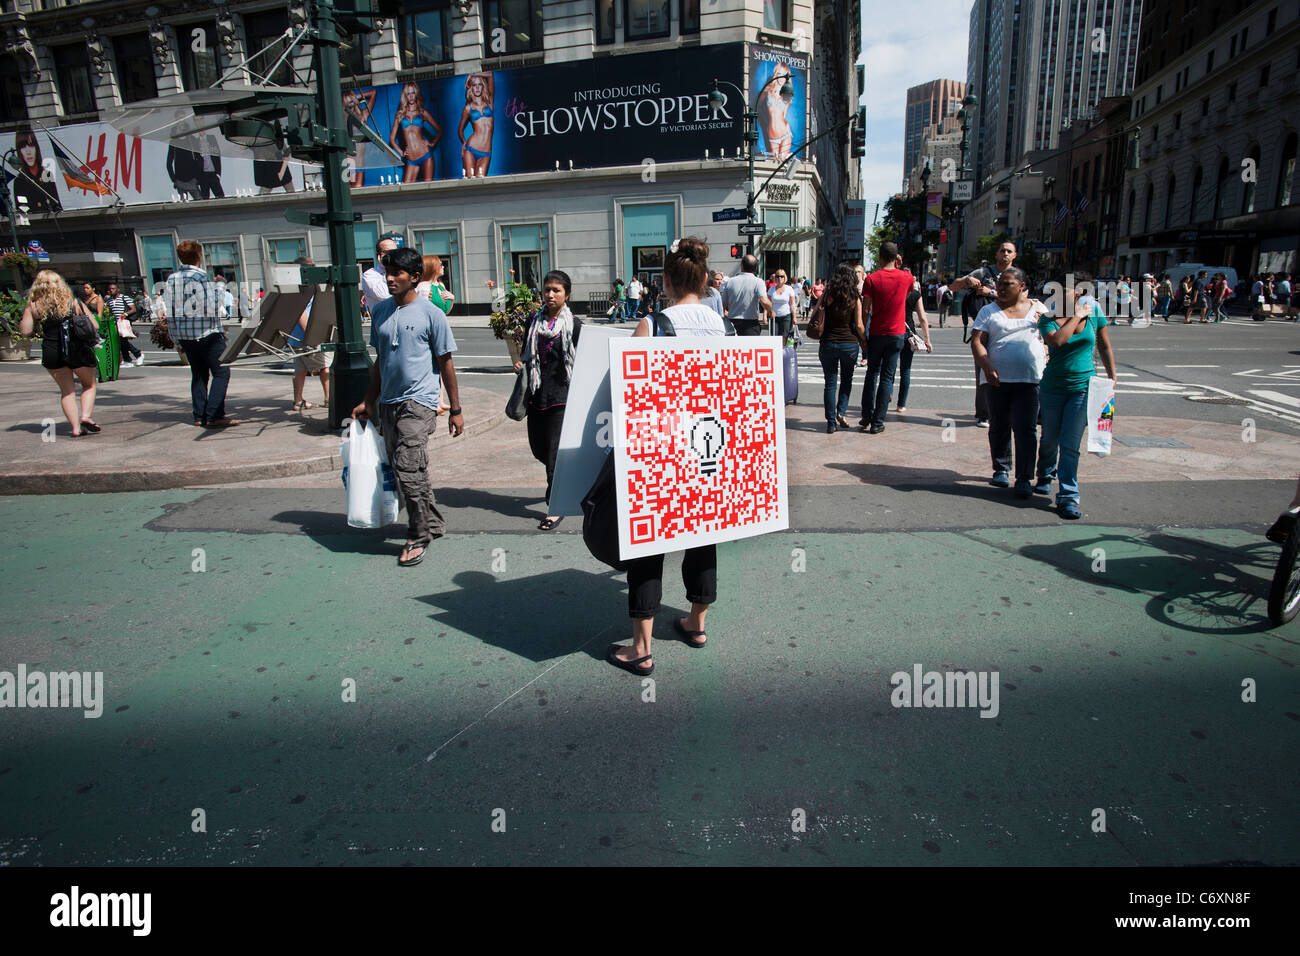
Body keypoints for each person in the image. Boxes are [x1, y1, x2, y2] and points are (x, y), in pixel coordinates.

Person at [606, 237, 725, 678]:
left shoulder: (654, 326)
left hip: (663, 451)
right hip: (709, 448)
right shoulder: (723, 327)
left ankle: (641, 647)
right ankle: (696, 622)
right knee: (705, 533)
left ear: (666, 281)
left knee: (648, 545)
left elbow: (629, 399)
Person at [352, 247, 464, 567]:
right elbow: (380, 362)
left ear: (414, 278)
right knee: (410, 469)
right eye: (387, 272)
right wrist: (368, 401)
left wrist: (456, 409)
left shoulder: (432, 314)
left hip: (420, 402)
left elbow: (446, 364)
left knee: (406, 466)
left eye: (396, 273)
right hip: (389, 401)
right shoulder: (381, 312)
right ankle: (434, 522)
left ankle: (418, 534)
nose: (389, 278)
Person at [1036, 271, 1117, 520]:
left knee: (1070, 445)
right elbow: (1057, 342)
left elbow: (1103, 344)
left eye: (1063, 289)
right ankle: (1045, 471)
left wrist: (1112, 377)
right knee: (1050, 438)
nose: (1055, 294)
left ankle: (1068, 495)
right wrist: (1076, 317)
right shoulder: (1046, 318)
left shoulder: (1093, 313)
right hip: (1052, 388)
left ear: (1079, 292)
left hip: (1084, 388)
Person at [513, 270, 581, 531]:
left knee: (553, 458)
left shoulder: (575, 325)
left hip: (562, 399)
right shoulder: (534, 321)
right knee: (539, 450)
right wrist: (522, 362)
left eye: (556, 290)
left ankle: (555, 507)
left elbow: (584, 361)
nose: (550, 294)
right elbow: (526, 351)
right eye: (547, 289)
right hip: (537, 397)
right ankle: (564, 481)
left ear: (567, 294)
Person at [971, 266, 1046, 497]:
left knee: (1026, 429)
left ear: (1022, 287)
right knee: (999, 425)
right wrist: (987, 366)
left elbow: (1053, 334)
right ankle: (1001, 469)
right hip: (996, 380)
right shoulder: (988, 312)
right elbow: (977, 342)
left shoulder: (1038, 309)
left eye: (1007, 284)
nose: (1000, 288)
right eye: (999, 284)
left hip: (1031, 379)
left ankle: (1024, 478)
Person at [163, 241, 239, 428]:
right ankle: (214, 415)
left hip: (186, 336)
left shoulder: (172, 278)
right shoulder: (200, 276)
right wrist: (220, 286)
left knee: (198, 375)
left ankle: (199, 415)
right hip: (207, 333)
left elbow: (170, 311)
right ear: (198, 256)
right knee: (221, 373)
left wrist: (175, 338)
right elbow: (212, 306)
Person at [18, 270, 99, 436]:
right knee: (89, 385)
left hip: (52, 350)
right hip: (77, 349)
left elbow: (25, 331)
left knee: (67, 391)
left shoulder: (34, 305)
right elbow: (94, 326)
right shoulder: (73, 302)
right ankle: (85, 416)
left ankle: (76, 428)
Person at [951, 239, 1018, 426]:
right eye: (1002, 250)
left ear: (1014, 255)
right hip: (986, 330)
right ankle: (983, 413)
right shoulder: (983, 273)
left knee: (1009, 372)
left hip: (1011, 330)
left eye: (1009, 251)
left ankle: (1004, 410)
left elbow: (1021, 299)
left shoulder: (1017, 276)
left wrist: (991, 293)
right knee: (983, 370)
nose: (1005, 254)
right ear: (997, 254)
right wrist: (966, 280)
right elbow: (953, 286)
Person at [857, 242, 913, 434]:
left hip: (877, 332)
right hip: (897, 333)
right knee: (887, 377)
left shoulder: (871, 279)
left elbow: (865, 309)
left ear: (880, 256)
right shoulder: (906, 277)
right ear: (897, 258)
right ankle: (878, 422)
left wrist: (863, 330)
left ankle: (866, 415)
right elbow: (909, 293)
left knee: (872, 373)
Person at [814, 263, 865, 433]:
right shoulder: (854, 296)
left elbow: (816, 313)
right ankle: (841, 412)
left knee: (830, 382)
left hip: (828, 342)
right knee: (846, 379)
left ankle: (830, 422)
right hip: (849, 344)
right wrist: (864, 342)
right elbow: (858, 325)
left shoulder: (827, 294)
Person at [391, 82, 441, 183]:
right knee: (406, 191)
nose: (411, 97)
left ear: (416, 94)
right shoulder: (400, 115)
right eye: (408, 94)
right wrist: (401, 152)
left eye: (413, 93)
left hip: (425, 154)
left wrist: (432, 143)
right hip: (411, 160)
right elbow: (392, 139)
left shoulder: (423, 113)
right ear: (405, 96)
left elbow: (440, 130)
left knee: (428, 189)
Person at [896, 279, 933, 415]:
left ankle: (887, 394)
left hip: (892, 331)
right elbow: (922, 318)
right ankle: (901, 404)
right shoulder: (915, 295)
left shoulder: (894, 290)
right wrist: (927, 339)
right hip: (908, 333)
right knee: (905, 369)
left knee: (888, 368)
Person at [721, 254, 774, 335]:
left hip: (732, 322)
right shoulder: (758, 282)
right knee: (750, 347)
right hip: (750, 324)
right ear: (755, 268)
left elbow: (723, 304)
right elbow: (764, 301)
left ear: (741, 266)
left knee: (734, 347)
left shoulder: (730, 281)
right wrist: (771, 311)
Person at [13, 128, 61, 214]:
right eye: (23, 147)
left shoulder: (47, 174)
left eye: (31, 146)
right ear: (20, 152)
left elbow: (56, 204)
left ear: (36, 148)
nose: (28, 152)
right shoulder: (20, 180)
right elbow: (21, 209)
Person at [459, 73, 494, 178]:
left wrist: (473, 74)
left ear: (483, 86)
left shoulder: (489, 103)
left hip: (486, 152)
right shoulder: (468, 108)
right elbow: (460, 130)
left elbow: (490, 75)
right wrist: (464, 143)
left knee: (481, 184)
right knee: (470, 183)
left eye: (480, 84)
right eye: (474, 85)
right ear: (471, 88)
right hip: (471, 149)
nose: (477, 87)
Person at [343, 89, 379, 186]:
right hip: (349, 161)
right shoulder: (343, 118)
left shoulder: (363, 116)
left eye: (351, 103)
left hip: (360, 161)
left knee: (358, 189)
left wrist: (355, 97)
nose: (350, 106)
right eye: (347, 104)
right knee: (349, 190)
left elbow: (373, 93)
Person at [758, 62, 793, 160]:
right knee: (775, 162)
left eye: (784, 75)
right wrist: (765, 122)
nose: (781, 78)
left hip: (785, 132)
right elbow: (758, 105)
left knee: (782, 162)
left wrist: (787, 127)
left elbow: (784, 115)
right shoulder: (767, 90)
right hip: (772, 134)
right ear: (775, 74)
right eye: (779, 74)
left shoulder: (787, 93)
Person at [105, 283, 143, 366]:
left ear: (118, 289)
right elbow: (107, 310)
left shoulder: (124, 297)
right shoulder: (109, 300)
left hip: (123, 322)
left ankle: (138, 354)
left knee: (123, 340)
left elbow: (133, 309)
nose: (111, 290)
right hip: (115, 323)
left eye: (113, 289)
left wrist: (125, 314)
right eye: (110, 289)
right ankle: (127, 360)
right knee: (121, 341)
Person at [361, 235, 401, 314]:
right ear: (378, 255)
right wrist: (389, 269)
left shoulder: (402, 271)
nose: (392, 255)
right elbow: (384, 295)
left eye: (395, 252)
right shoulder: (370, 275)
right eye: (388, 252)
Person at [769, 269, 799, 339]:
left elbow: (792, 304)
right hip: (774, 317)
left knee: (784, 337)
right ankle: (776, 350)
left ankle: (783, 350)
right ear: (775, 278)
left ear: (785, 277)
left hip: (786, 316)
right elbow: (768, 303)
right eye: (777, 276)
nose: (780, 278)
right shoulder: (771, 289)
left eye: (782, 276)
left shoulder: (789, 289)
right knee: (774, 337)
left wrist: (794, 317)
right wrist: (765, 315)